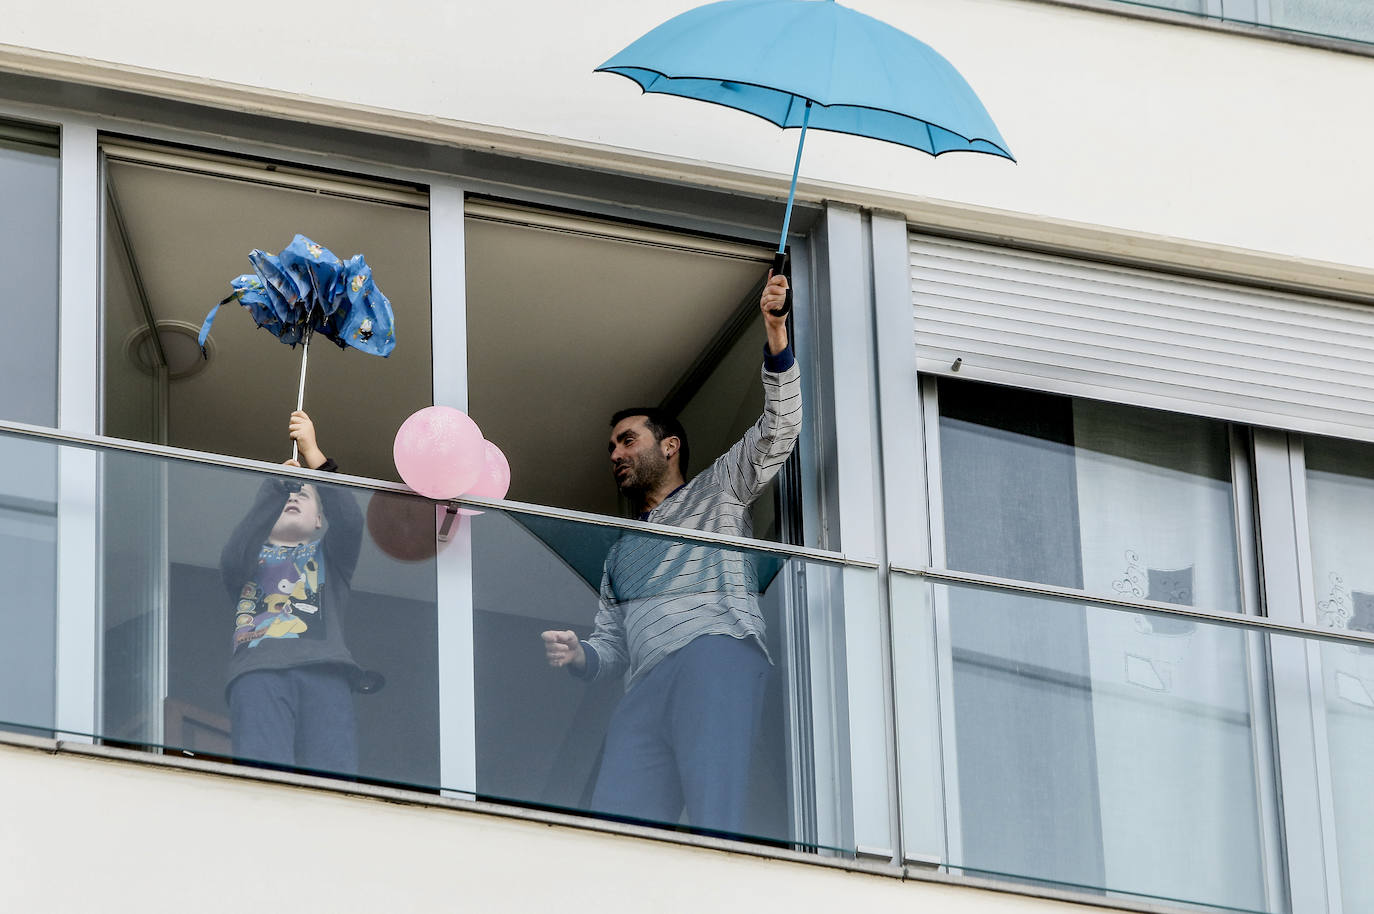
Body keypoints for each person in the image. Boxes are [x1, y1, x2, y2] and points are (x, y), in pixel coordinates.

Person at [541, 271, 801, 834]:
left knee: (715, 815)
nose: (615, 453)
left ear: (670, 445)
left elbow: (780, 429)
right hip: (644, 686)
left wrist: (776, 336)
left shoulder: (719, 489)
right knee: (618, 831)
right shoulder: (619, 556)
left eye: (627, 440)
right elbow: (611, 646)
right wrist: (579, 654)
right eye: (612, 446)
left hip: (716, 654)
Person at [219, 410, 364, 774]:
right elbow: (234, 554)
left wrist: (314, 456)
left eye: (304, 493)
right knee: (265, 775)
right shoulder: (247, 559)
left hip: (325, 671)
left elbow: (349, 521)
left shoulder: (329, 557)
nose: (294, 495)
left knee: (333, 777)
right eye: (288, 492)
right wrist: (274, 487)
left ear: (319, 519)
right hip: (259, 671)